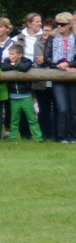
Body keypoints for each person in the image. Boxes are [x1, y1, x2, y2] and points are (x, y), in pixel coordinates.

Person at [0, 41, 43, 141]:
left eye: (12, 54)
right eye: (10, 54)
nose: (10, 56)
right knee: (14, 120)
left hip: (26, 96)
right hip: (13, 96)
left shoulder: (27, 61)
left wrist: (14, 65)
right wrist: (14, 64)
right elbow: (3, 67)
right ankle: (13, 138)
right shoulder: (7, 61)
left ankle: (39, 138)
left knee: (32, 119)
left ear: (20, 54)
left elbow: (24, 68)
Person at [48, 12, 75, 144]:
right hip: (58, 75)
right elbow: (47, 57)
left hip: (73, 75)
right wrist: (59, 65)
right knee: (62, 108)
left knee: (73, 109)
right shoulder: (52, 37)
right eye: (58, 24)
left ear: (70, 25)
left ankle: (73, 136)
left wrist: (69, 64)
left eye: (63, 24)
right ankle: (62, 136)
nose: (59, 26)